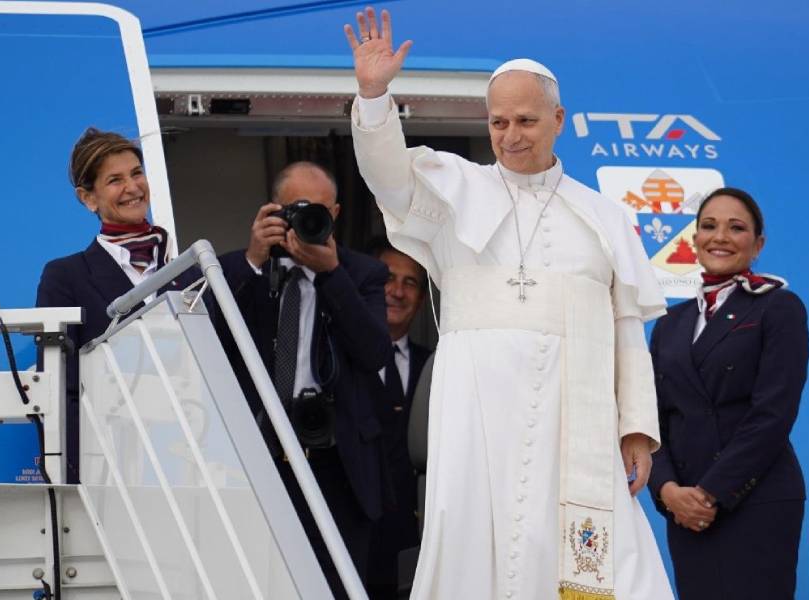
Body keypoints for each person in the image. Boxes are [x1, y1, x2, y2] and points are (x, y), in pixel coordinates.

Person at [344, 8, 674, 599]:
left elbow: (627, 330)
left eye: (525, 120)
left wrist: (636, 431)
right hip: (477, 405)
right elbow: (386, 174)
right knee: (472, 533)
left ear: (559, 119)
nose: (511, 135)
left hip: (573, 414)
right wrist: (373, 96)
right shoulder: (453, 189)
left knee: (593, 553)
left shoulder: (605, 217)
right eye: (498, 122)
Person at [217, 161, 391, 598]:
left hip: (337, 460)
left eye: (318, 211)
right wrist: (254, 260)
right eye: (295, 209)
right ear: (273, 211)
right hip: (260, 455)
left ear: (335, 213)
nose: (306, 220)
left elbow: (374, 354)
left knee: (338, 587)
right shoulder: (238, 271)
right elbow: (213, 341)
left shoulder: (362, 273)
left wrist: (331, 276)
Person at [647, 187, 809, 599]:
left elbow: (773, 413)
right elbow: (651, 417)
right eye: (709, 226)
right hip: (684, 509)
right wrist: (668, 492)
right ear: (694, 240)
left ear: (757, 245)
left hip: (755, 500)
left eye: (736, 228)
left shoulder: (778, 308)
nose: (720, 236)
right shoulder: (669, 323)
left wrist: (711, 493)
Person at [36, 127, 201, 484]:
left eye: (136, 174)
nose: (132, 187)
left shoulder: (192, 273)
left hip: (191, 464)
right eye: (115, 180)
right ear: (88, 198)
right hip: (110, 470)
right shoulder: (66, 276)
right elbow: (57, 388)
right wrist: (79, 474)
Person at [366, 239, 432, 599]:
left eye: (410, 283)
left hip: (417, 546)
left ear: (421, 300)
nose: (397, 291)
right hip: (354, 542)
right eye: (388, 278)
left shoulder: (437, 366)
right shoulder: (337, 358)